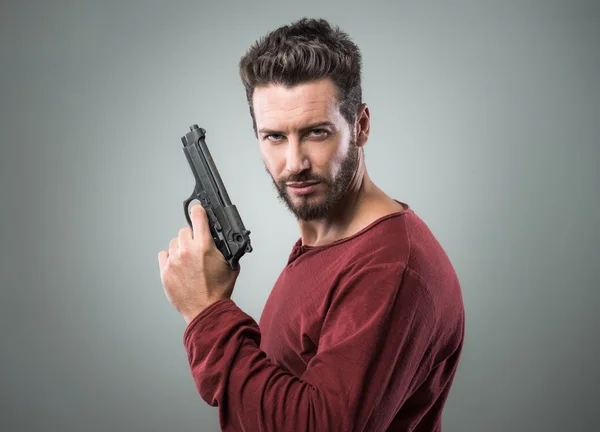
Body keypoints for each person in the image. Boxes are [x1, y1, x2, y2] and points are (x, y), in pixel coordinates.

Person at [158, 17, 465, 432]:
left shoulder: (390, 268)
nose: (294, 164)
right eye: (274, 137)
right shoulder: (325, 243)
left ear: (361, 126)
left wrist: (207, 312)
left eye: (316, 133)